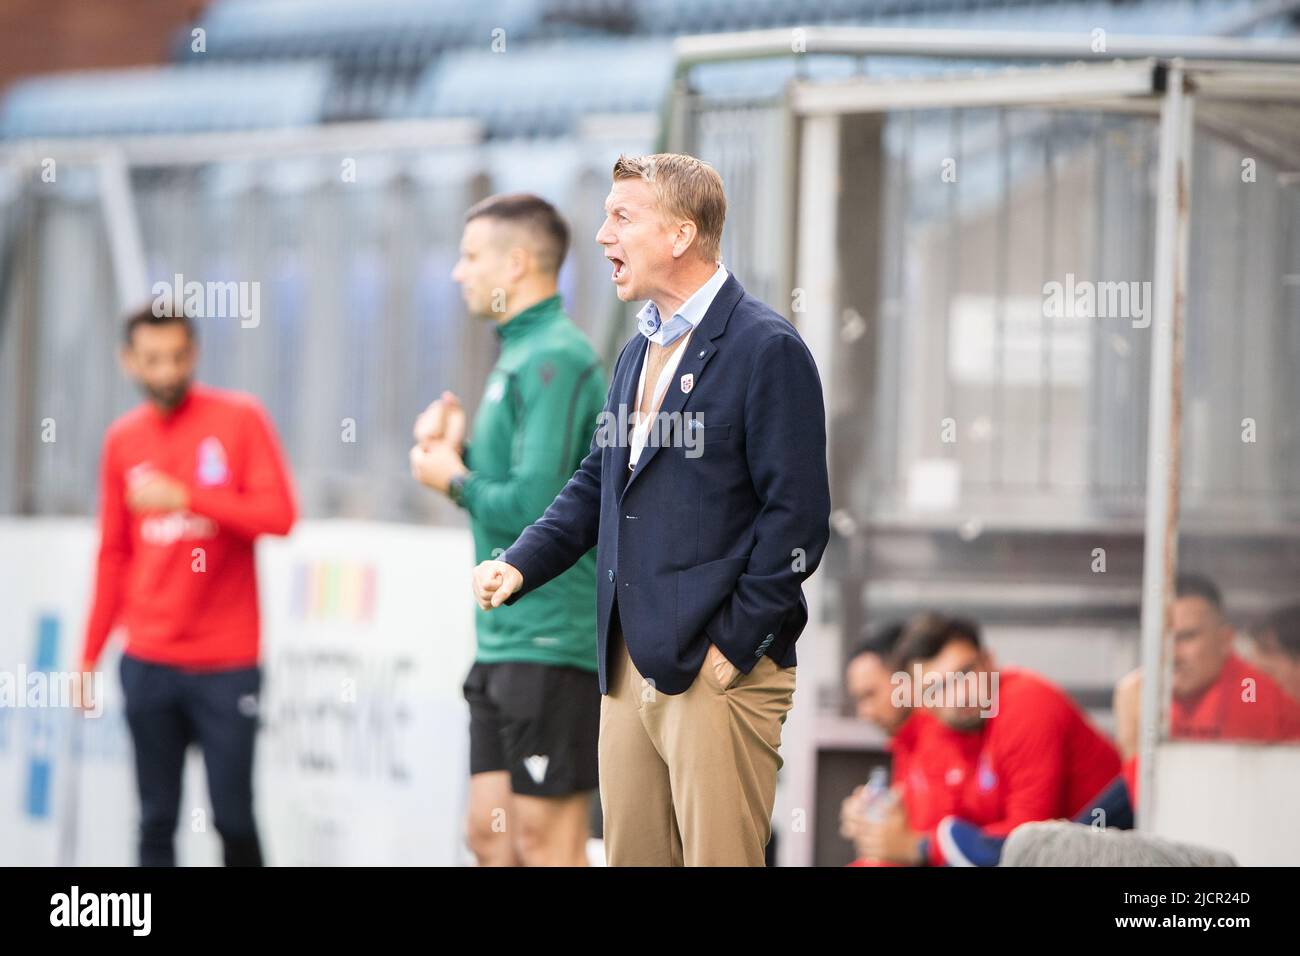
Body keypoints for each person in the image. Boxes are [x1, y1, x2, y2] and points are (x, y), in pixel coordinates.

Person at [471, 152, 831, 866]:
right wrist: (520, 564)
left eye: (622, 217)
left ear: (680, 235)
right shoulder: (639, 349)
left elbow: (798, 519)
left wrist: (735, 649)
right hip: (626, 662)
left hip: (716, 666)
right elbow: (599, 480)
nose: (603, 235)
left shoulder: (767, 348)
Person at [410, 193, 607, 867]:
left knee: (544, 846)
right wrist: (457, 461)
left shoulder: (555, 356)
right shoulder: (519, 354)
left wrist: (451, 479)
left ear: (517, 263)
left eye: (470, 257)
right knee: (490, 838)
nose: (459, 272)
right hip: (502, 640)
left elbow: (541, 507)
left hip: (552, 641)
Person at [80, 304, 297, 866]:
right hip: (148, 659)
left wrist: (188, 497)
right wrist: (88, 656)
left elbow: (278, 516)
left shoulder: (239, 419)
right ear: (128, 360)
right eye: (152, 359)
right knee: (155, 819)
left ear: (194, 353)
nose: (167, 372)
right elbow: (114, 555)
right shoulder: (122, 441)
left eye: (178, 357)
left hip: (227, 662)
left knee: (233, 817)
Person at [862, 614, 1120, 866]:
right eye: (936, 689)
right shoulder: (944, 728)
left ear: (989, 661)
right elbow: (946, 826)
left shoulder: (1026, 705)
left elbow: (1024, 844)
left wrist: (918, 847)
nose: (960, 695)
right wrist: (885, 824)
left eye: (964, 674)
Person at [840, 621, 981, 865]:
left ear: (905, 679)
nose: (864, 712)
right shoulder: (907, 743)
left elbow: (956, 844)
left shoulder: (947, 733)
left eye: (870, 695)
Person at [1114, 574, 1300, 759]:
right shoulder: (1139, 693)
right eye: (1161, 639)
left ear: (1225, 640)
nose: (1172, 655)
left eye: (1187, 637)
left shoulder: (1259, 700)